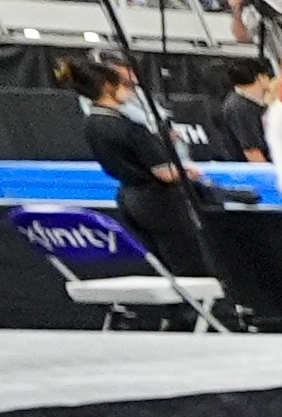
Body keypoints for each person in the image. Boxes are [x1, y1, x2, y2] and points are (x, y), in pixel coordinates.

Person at [66, 49, 221, 281]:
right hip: (158, 202)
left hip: (130, 200)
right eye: (124, 85)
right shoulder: (128, 128)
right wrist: (190, 173)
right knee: (188, 265)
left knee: (161, 265)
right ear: (109, 87)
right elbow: (165, 173)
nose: (129, 91)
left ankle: (178, 313)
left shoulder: (92, 124)